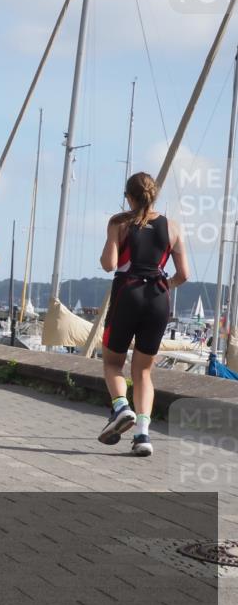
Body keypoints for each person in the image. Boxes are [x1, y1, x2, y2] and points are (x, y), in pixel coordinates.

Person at [98, 172, 188, 456]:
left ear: (128, 196)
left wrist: (110, 242)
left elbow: (109, 264)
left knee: (113, 363)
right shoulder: (172, 227)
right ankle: (143, 436)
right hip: (158, 299)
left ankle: (122, 407)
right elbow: (183, 275)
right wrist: (165, 284)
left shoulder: (119, 222)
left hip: (128, 293)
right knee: (144, 371)